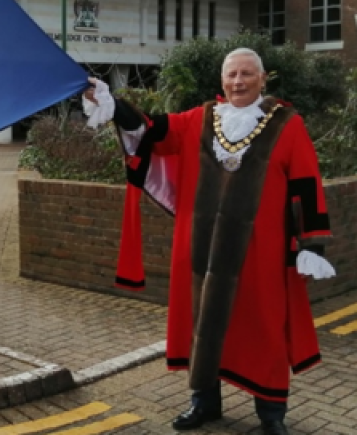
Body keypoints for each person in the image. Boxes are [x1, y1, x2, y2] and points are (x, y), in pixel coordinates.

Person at [84, 48, 334, 435]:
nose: (238, 81)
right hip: (198, 248)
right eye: (232, 74)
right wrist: (114, 104)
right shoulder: (199, 119)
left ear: (263, 78)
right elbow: (154, 131)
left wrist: (312, 244)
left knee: (264, 327)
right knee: (200, 322)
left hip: (260, 252)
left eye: (247, 74)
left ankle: (271, 416)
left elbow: (306, 182)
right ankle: (204, 402)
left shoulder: (288, 124)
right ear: (222, 81)